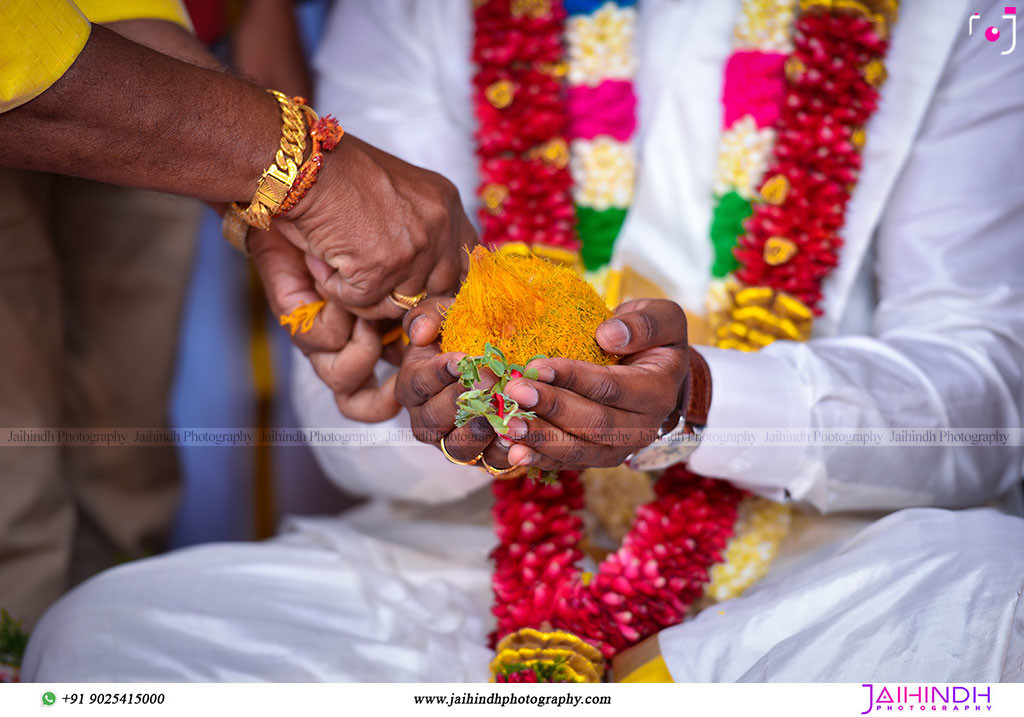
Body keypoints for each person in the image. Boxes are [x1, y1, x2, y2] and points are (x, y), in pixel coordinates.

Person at [23, 0, 1024, 682]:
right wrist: (432, 408)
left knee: (992, 591)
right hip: (468, 571)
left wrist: (699, 405)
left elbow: (992, 401)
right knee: (104, 640)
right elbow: (350, 416)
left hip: (816, 574)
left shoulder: (966, 21)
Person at [0, 0, 476, 635]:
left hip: (153, 47)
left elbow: (117, 18)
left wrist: (275, 210)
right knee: (14, 468)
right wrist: (309, 172)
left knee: (124, 440)